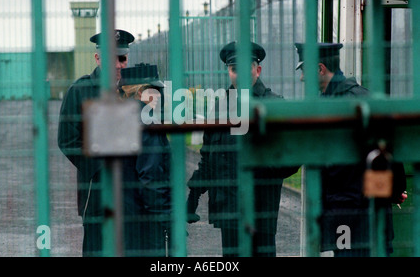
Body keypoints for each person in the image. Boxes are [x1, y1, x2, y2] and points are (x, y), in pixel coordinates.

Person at [294, 42, 408, 256]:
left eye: (304, 71)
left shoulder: (333, 106)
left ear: (320, 69)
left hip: (348, 212)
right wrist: (393, 191)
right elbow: (390, 148)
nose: (302, 78)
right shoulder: (362, 100)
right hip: (365, 211)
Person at [187, 41, 299, 257]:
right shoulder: (220, 107)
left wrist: (260, 172)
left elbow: (292, 156)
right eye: (233, 69)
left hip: (260, 210)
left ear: (257, 70)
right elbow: (208, 157)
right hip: (228, 212)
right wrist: (194, 194)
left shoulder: (273, 105)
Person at [57, 29, 134, 256]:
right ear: (98, 58)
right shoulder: (80, 91)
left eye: (122, 58)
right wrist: (100, 167)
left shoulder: (138, 90)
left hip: (134, 192)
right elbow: (67, 139)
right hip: (97, 190)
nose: (118, 65)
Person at [118, 64, 171, 256]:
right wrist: (166, 217)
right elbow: (151, 176)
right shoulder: (147, 122)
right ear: (139, 92)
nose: (159, 96)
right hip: (147, 218)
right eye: (154, 91)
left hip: (124, 214)